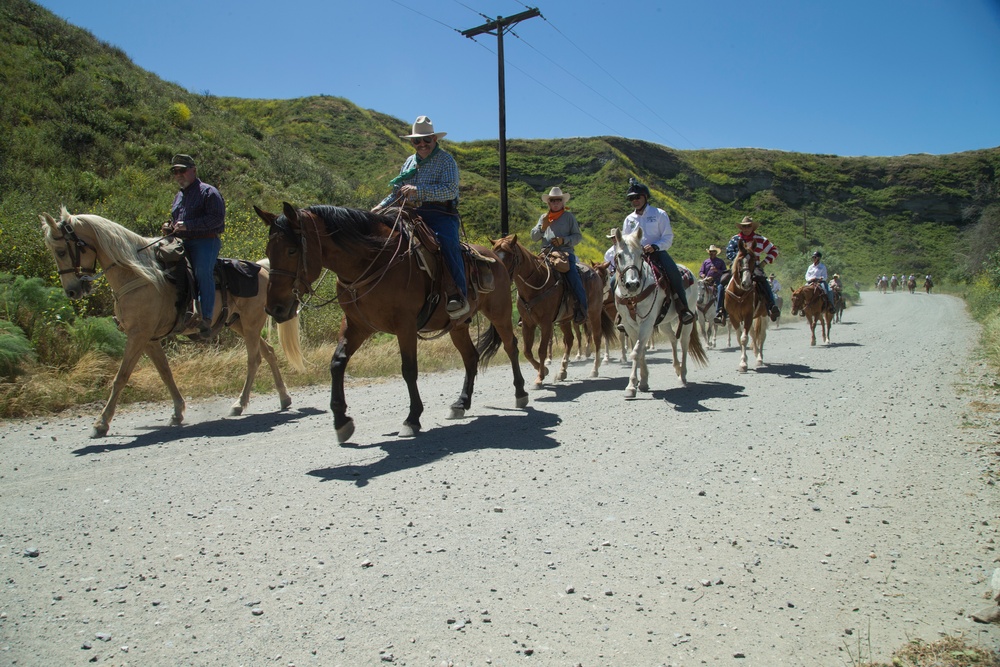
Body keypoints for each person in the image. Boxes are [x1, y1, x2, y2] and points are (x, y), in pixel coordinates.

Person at [377, 116, 468, 319]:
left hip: (440, 214)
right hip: (410, 212)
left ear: (434, 139)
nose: (422, 144)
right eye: (417, 141)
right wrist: (379, 207)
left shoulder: (446, 160)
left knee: (447, 244)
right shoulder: (409, 161)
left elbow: (451, 190)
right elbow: (396, 192)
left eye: (426, 139)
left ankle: (458, 294)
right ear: (412, 142)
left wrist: (419, 191)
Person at [161, 153, 225, 340]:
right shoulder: (178, 196)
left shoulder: (209, 192)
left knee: (201, 272)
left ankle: (206, 318)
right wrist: (170, 226)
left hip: (205, 241)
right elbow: (177, 220)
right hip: (181, 242)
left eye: (182, 170)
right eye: (175, 171)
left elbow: (217, 219)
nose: (179, 174)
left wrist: (189, 225)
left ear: (194, 170)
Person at [621, 178, 694, 324]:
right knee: (615, 279)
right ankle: (622, 314)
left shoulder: (659, 214)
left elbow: (668, 237)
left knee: (674, 273)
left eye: (638, 197)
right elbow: (625, 240)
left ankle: (683, 308)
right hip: (637, 256)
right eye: (632, 199)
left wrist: (655, 246)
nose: (635, 201)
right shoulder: (629, 219)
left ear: (645, 197)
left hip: (657, 253)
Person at [531, 187, 587, 324]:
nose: (555, 203)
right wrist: (542, 228)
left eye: (558, 200)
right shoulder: (543, 218)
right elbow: (533, 237)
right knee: (532, 275)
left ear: (562, 202)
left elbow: (578, 237)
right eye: (552, 200)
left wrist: (564, 240)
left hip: (565, 253)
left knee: (573, 276)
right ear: (548, 203)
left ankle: (581, 308)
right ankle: (527, 310)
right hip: (546, 253)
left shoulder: (569, 217)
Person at [713, 216, 780, 324]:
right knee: (722, 283)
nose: (746, 228)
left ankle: (771, 306)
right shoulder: (735, 239)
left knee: (763, 281)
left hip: (755, 267)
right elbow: (729, 253)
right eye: (744, 226)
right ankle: (720, 311)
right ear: (741, 228)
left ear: (752, 227)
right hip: (738, 267)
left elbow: (774, 250)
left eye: (748, 226)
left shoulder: (761, 239)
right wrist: (740, 259)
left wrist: (764, 262)